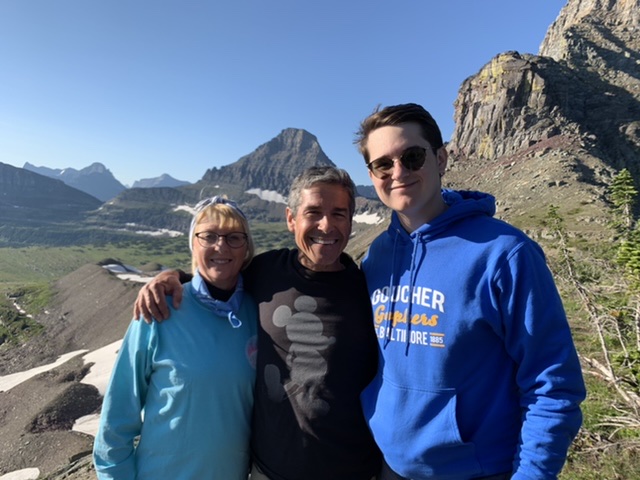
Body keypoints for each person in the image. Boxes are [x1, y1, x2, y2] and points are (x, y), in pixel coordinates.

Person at [355, 103, 586, 480]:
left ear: (441, 158)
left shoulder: (505, 253)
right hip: (391, 467)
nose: (398, 172)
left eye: (412, 157)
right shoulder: (378, 255)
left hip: (475, 470)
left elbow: (552, 382)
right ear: (372, 174)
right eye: (383, 164)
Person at [134, 166, 381, 480]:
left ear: (351, 220)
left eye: (339, 214)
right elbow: (218, 276)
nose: (326, 225)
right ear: (291, 219)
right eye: (313, 212)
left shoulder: (370, 290)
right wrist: (173, 278)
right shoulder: (266, 271)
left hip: (352, 471)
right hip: (268, 471)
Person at [93, 196, 258, 479]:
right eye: (208, 236)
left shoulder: (258, 311)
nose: (221, 246)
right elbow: (117, 417)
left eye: (234, 237)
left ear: (246, 249)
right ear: (193, 244)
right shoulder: (159, 310)